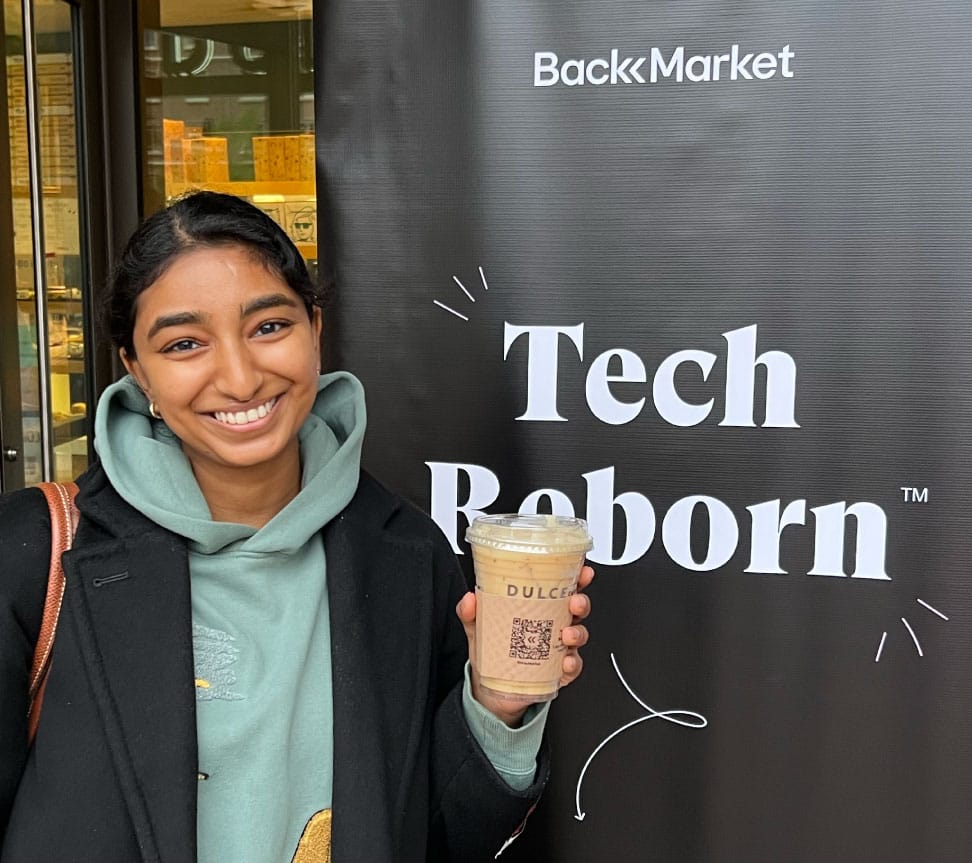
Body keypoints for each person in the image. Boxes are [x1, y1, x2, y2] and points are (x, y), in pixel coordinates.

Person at [0, 191, 597, 861]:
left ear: (315, 327)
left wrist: (495, 706)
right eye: (185, 343)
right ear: (136, 369)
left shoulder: (405, 553)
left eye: (269, 326)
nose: (239, 375)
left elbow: (442, 836)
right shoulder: (38, 554)